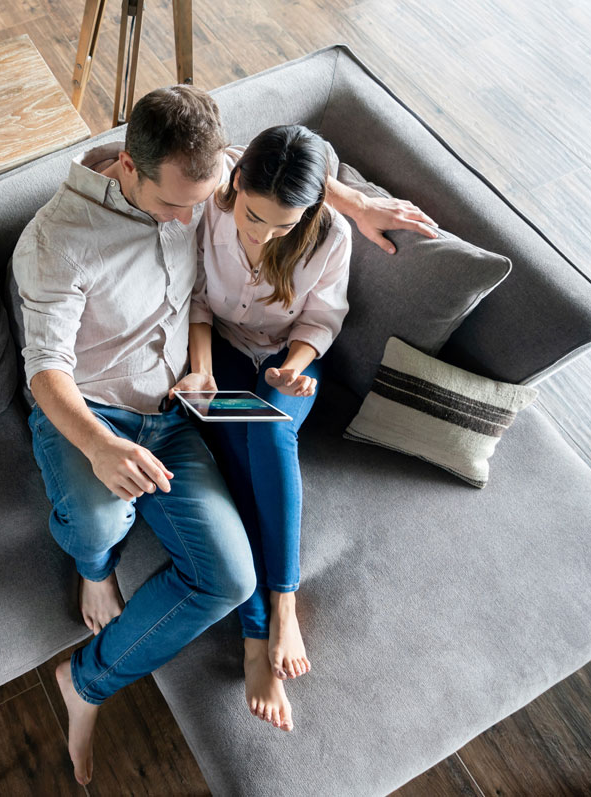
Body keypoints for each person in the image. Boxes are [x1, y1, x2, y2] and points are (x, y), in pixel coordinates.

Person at [14, 88, 436, 785]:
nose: (192, 219)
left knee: (233, 575)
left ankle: (85, 681)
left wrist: (355, 203)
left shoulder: (206, 182)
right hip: (94, 410)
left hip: (177, 409)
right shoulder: (58, 240)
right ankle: (92, 566)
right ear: (129, 167)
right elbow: (44, 369)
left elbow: (276, 167)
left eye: (206, 197)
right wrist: (100, 446)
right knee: (99, 521)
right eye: (175, 205)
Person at [174, 125, 355, 733]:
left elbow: (322, 318)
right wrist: (202, 372)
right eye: (254, 217)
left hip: (291, 360)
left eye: (284, 225)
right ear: (237, 183)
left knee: (271, 431)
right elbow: (198, 297)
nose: (264, 234)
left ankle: (282, 605)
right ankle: (256, 639)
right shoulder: (211, 203)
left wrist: (294, 369)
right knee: (234, 460)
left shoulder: (331, 235)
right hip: (223, 351)